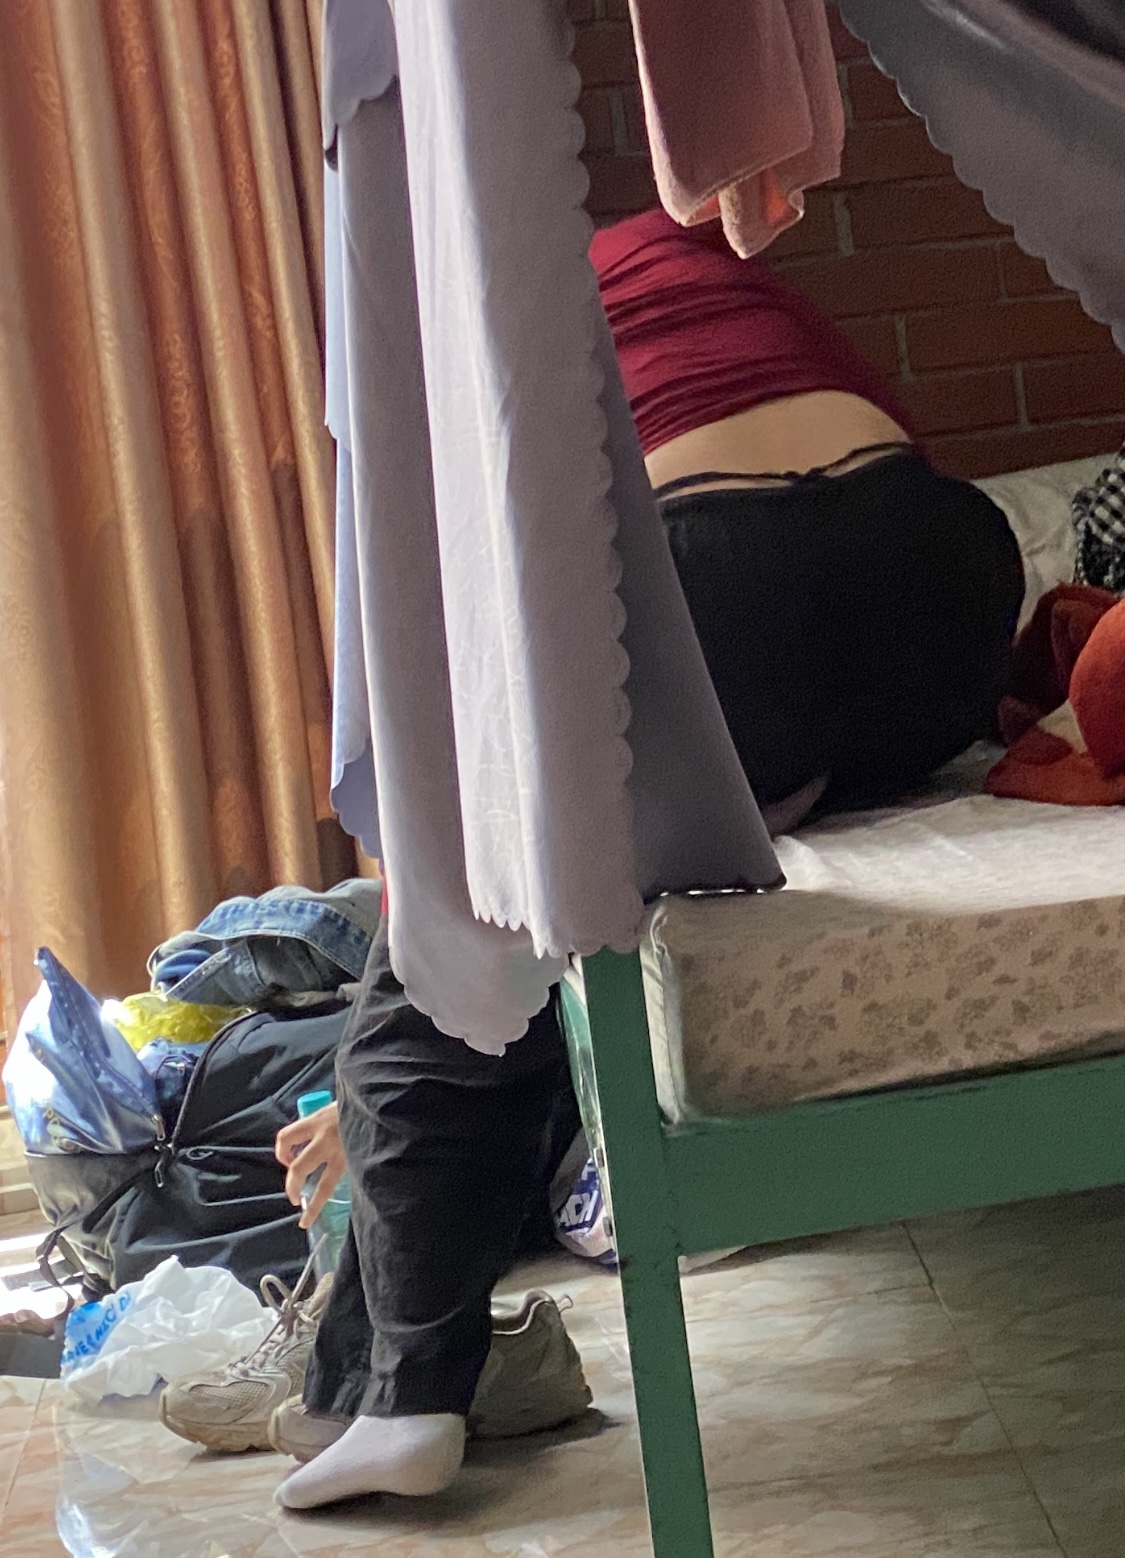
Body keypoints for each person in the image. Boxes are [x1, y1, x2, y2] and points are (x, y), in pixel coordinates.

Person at [168, 208, 1027, 1510]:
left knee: (474, 921)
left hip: (714, 566)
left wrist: (420, 963)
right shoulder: (678, 257)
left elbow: (454, 662)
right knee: (746, 778)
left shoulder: (456, 319)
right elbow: (861, 460)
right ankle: (396, 1340)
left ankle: (401, 1392)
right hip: (938, 574)